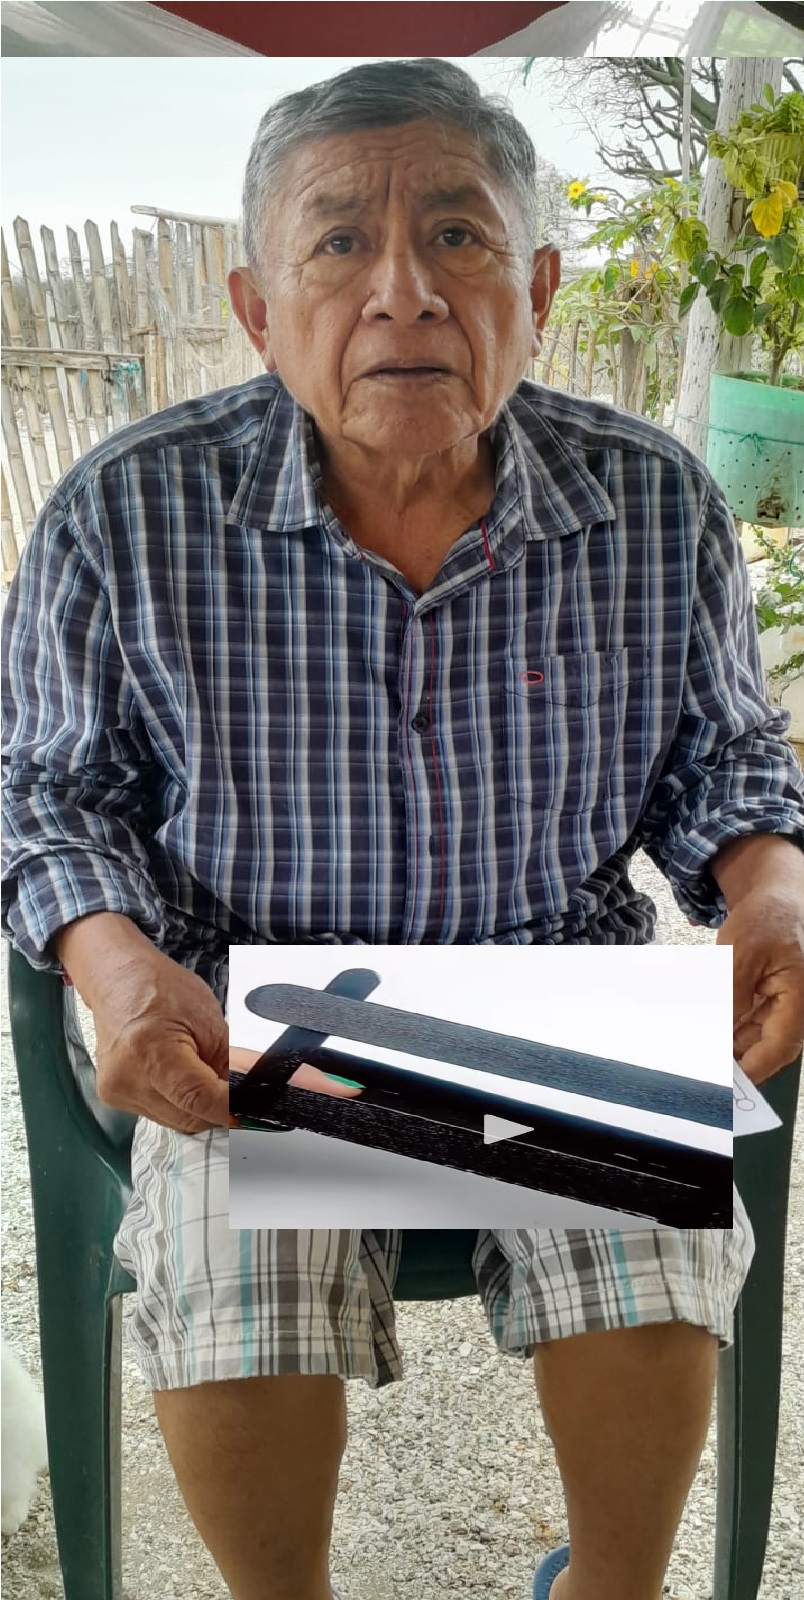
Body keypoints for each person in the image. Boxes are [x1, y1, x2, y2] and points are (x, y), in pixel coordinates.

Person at [3, 58, 804, 1600]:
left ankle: (608, 1591)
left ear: (538, 287)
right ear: (256, 308)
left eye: (456, 234)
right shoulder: (125, 516)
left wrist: (770, 888)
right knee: (235, 1276)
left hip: (548, 1009)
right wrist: (109, 962)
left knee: (648, 1258)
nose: (403, 292)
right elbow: (43, 790)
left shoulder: (654, 508)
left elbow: (728, 758)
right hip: (261, 1016)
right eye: (337, 243)